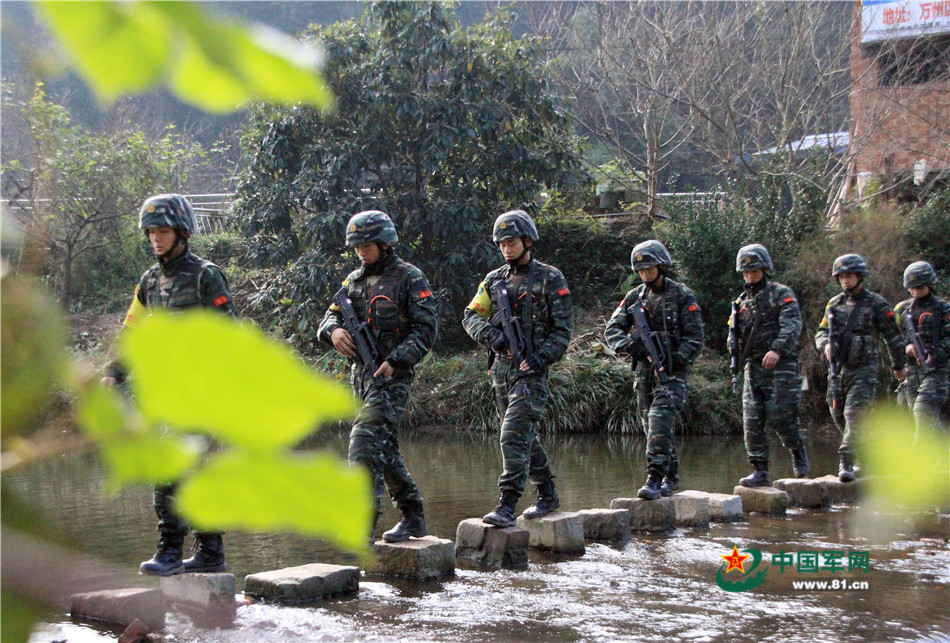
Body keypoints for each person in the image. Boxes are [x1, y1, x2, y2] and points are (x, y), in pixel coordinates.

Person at [102, 194, 237, 576]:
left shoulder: (205, 275)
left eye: (162, 231)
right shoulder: (149, 281)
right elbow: (132, 331)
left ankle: (170, 551)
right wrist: (113, 371)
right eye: (151, 232)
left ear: (181, 232)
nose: (155, 239)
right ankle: (210, 552)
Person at [318, 210, 438, 543]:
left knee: (363, 445)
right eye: (356, 246)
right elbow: (328, 316)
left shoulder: (409, 277)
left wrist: (397, 360)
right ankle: (413, 515)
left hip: (391, 379)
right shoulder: (352, 282)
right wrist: (333, 332)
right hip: (360, 379)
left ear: (385, 242)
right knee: (384, 451)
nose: (360, 251)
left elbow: (427, 329)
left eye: (366, 244)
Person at [462, 210, 573, 528]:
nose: (507, 248)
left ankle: (507, 504)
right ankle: (548, 494)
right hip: (501, 371)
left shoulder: (551, 278)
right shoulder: (494, 280)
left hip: (532, 373)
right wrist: (492, 336)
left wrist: (540, 358)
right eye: (502, 244)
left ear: (527, 241)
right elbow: (470, 315)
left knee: (511, 436)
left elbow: (562, 332)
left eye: (511, 242)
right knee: (524, 437)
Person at [605, 240, 705, 500]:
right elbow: (612, 329)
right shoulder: (634, 297)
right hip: (643, 372)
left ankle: (654, 477)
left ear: (662, 265)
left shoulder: (682, 295)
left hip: (673, 373)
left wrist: (677, 359)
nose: (645, 275)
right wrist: (631, 346)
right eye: (640, 271)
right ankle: (670, 476)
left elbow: (695, 337)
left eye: (649, 269)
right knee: (650, 427)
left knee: (660, 421)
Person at [815, 253, 906, 482]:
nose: (845, 281)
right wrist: (825, 345)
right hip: (838, 370)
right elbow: (821, 332)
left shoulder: (876, 303)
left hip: (864, 369)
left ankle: (846, 462)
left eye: (849, 276)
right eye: (842, 277)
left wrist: (898, 366)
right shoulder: (834, 303)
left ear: (859, 276)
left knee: (854, 414)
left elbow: (893, 337)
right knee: (837, 413)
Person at [729, 244, 808, 487]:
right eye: (746, 272)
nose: (750, 276)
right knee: (751, 420)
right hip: (753, 367)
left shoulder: (780, 294)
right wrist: (734, 349)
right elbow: (733, 334)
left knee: (781, 416)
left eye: (754, 271)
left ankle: (797, 450)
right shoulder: (739, 303)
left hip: (781, 366)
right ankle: (759, 470)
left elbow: (792, 325)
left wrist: (777, 349)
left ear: (764, 269)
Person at [894, 261, 950, 435]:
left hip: (936, 372)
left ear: (929, 284)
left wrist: (933, 352)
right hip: (912, 372)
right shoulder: (902, 309)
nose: (916, 291)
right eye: (912, 288)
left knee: (922, 412)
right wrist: (906, 349)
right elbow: (893, 338)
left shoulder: (943, 308)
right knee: (923, 419)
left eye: (920, 287)